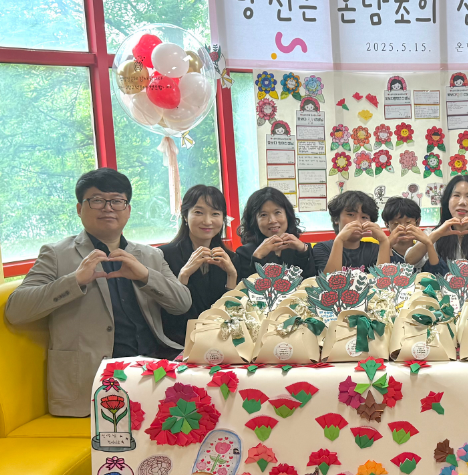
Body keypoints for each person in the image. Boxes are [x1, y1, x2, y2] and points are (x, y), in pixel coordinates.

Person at [4, 169, 191, 417]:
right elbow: (16, 310)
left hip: (153, 372)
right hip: (92, 383)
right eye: (97, 200)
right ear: (79, 208)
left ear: (128, 210)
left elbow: (182, 303)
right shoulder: (56, 254)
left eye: (117, 201)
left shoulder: (150, 255)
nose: (108, 208)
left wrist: (145, 276)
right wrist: (74, 281)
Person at [158, 185, 240, 346]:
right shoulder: (164, 256)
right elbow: (166, 315)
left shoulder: (231, 258)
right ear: (185, 216)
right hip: (177, 346)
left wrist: (232, 276)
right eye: (198, 212)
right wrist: (183, 276)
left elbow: (233, 317)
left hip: (223, 344)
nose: (207, 221)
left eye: (215, 214)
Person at [235, 187, 316, 279]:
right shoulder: (244, 253)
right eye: (263, 215)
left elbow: (312, 282)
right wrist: (257, 257)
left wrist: (303, 251)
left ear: (287, 215)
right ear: (254, 221)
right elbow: (246, 285)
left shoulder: (301, 249)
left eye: (277, 212)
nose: (272, 220)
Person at [313, 190, 390, 274]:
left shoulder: (374, 249)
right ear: (336, 219)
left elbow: (383, 280)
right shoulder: (322, 248)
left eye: (364, 217)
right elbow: (329, 280)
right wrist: (339, 240)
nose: (357, 221)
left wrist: (384, 241)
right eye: (350, 215)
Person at [381, 197, 441, 270]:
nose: (403, 227)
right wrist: (387, 245)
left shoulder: (424, 249)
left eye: (408, 222)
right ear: (387, 225)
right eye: (396, 223)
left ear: (417, 222)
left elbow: (437, 273)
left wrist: (429, 243)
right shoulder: (379, 250)